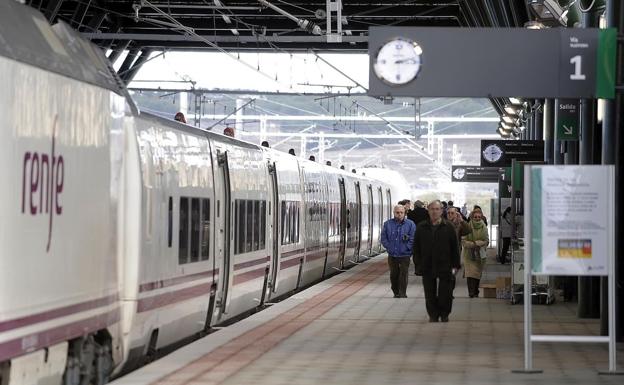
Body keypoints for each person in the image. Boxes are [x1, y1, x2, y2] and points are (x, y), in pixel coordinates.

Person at [412, 200, 460, 322]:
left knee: (446, 292)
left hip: (446, 265)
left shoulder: (448, 227)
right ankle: (433, 315)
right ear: (428, 211)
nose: (434, 211)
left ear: (441, 211)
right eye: (432, 209)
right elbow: (416, 247)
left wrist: (456, 266)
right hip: (427, 265)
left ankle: (444, 314)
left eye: (437, 209)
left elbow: (455, 247)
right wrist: (418, 264)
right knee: (429, 293)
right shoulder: (421, 227)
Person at [381, 205, 416, 298]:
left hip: (405, 255)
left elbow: (413, 238)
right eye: (397, 212)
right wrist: (389, 247)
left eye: (401, 212)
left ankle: (402, 293)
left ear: (404, 213)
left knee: (403, 274)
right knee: (394, 274)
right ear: (394, 213)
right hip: (392, 255)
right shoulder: (387, 224)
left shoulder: (411, 224)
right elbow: (384, 238)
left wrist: (407, 248)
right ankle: (395, 291)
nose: (399, 214)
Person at [462, 208, 490, 298]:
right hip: (469, 254)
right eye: (475, 217)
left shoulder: (484, 228)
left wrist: (478, 243)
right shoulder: (467, 227)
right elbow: (463, 241)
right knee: (470, 273)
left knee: (477, 273)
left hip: (480, 254)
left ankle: (476, 290)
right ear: (472, 217)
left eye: (479, 217)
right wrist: (473, 244)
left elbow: (486, 241)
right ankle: (471, 292)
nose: (477, 218)